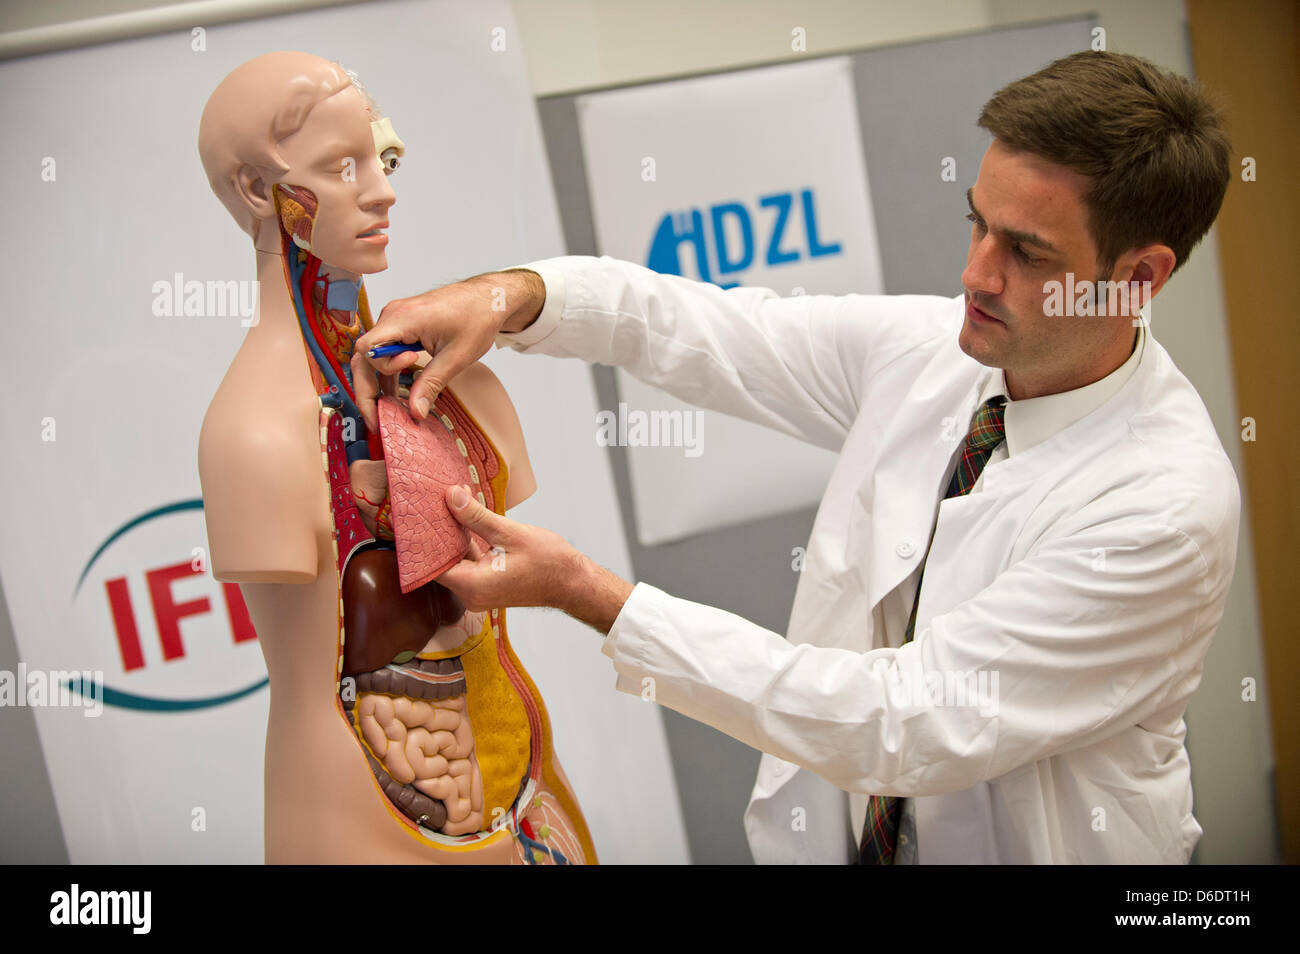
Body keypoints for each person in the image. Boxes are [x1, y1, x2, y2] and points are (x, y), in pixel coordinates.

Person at [352, 50, 1238, 864]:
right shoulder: (935, 351)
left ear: (1138, 277)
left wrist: (591, 595)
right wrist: (511, 296)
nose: (976, 272)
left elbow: (899, 724)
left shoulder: (1162, 508)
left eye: (1026, 252)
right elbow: (705, 328)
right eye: (978, 224)